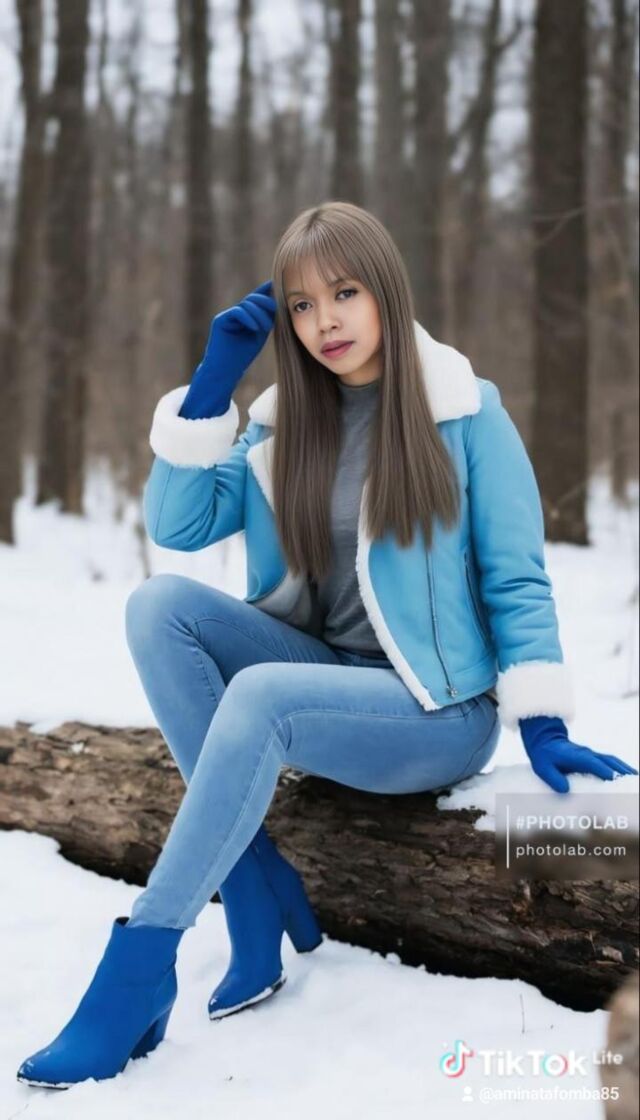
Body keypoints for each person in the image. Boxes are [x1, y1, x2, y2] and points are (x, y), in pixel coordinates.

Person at [17, 201, 637, 1090]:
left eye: (344, 293)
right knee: (158, 608)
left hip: (436, 710)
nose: (325, 321)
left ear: (384, 289)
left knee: (262, 695)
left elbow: (517, 577)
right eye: (302, 305)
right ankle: (255, 882)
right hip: (323, 678)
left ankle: (141, 967)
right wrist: (212, 385)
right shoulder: (282, 427)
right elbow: (178, 526)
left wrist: (540, 720)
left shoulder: (464, 413)